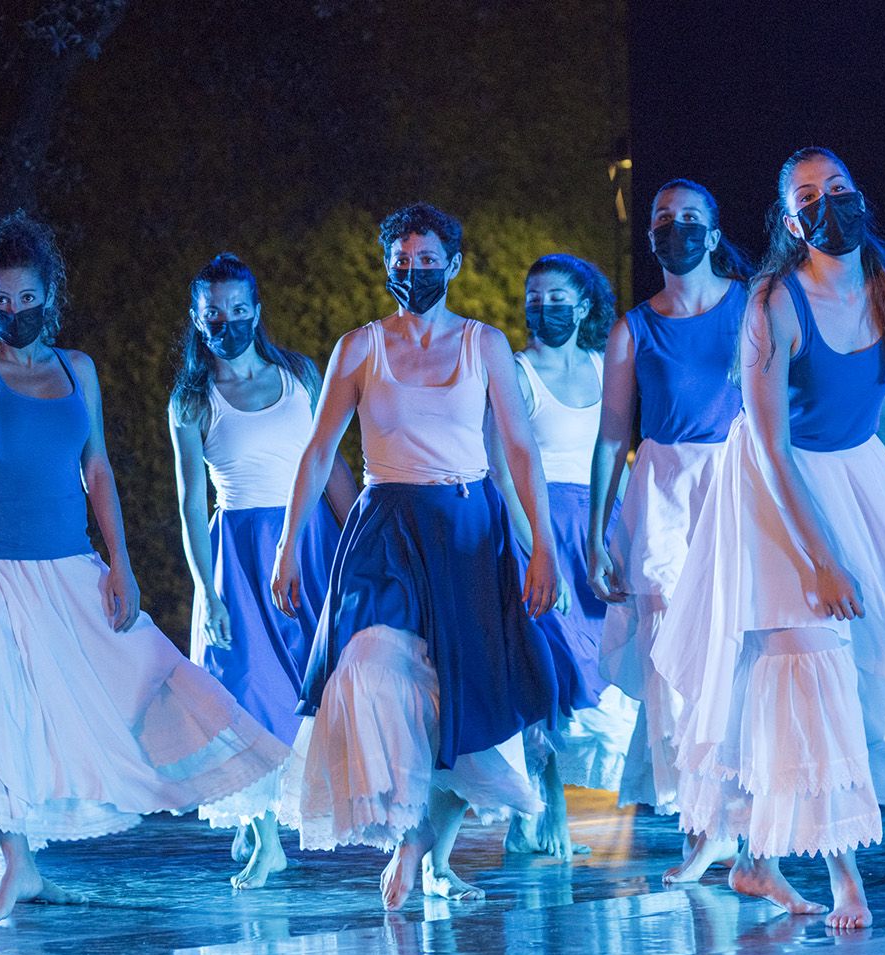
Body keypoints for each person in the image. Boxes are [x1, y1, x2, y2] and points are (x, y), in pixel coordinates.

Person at [0, 211, 287, 925]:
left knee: (148, 671)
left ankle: (249, 793)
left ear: (48, 296)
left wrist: (120, 562)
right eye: (2, 301)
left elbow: (97, 468)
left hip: (72, 568)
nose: (15, 311)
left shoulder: (76, 369)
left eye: (27, 299)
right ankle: (18, 867)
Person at [655, 147, 885, 929]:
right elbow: (769, 448)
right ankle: (844, 877)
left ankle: (755, 861)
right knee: (805, 665)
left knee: (851, 664)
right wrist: (822, 557)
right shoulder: (772, 301)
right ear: (789, 220)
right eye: (808, 195)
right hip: (774, 489)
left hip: (856, 474)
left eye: (838, 187)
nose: (827, 201)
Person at [272, 202, 561, 910]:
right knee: (374, 668)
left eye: (427, 260)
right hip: (386, 530)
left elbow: (520, 450)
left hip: (467, 531)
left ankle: (420, 851)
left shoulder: (483, 344)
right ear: (387, 267)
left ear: (454, 266)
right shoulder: (359, 347)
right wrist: (287, 546)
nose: (414, 271)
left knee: (469, 699)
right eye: (402, 262)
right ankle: (403, 826)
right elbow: (317, 453)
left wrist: (544, 546)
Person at [170, 252, 359, 889]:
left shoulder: (300, 376)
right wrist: (205, 586)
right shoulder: (192, 401)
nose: (227, 322)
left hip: (308, 543)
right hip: (238, 555)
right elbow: (192, 502)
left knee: (313, 684)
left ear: (257, 310)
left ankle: (288, 814)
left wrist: (360, 540)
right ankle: (265, 836)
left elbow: (329, 464)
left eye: (238, 310)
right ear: (198, 320)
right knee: (245, 690)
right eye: (213, 314)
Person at [587, 179, 751, 881]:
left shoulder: (753, 308)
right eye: (663, 220)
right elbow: (608, 438)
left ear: (713, 234)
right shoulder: (633, 327)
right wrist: (598, 533)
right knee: (670, 650)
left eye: (690, 220)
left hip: (735, 480)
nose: (675, 230)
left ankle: (738, 812)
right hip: (661, 489)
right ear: (650, 236)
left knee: (735, 643)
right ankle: (699, 822)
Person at [494, 254, 639, 861]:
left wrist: (625, 532)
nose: (543, 308)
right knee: (544, 662)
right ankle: (545, 794)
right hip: (539, 528)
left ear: (583, 308)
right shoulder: (517, 372)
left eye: (557, 299)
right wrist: (534, 545)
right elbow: (502, 468)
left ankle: (534, 802)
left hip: (597, 530)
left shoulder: (608, 368)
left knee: (596, 666)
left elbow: (617, 453)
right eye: (534, 297)